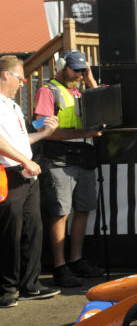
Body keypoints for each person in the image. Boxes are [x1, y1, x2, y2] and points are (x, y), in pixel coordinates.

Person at [33, 50, 104, 287]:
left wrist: (91, 82)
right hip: (59, 159)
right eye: (75, 70)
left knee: (83, 209)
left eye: (83, 70)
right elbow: (44, 131)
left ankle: (76, 260)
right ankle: (60, 266)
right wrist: (84, 134)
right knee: (60, 213)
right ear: (62, 67)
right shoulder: (47, 91)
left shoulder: (80, 90)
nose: (79, 75)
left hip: (83, 156)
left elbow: (104, 108)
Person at [0, 55, 60, 308]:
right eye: (20, 77)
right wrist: (25, 161)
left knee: (32, 230)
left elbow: (20, 142)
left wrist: (45, 133)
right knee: (9, 234)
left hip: (26, 173)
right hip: (9, 174)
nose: (23, 83)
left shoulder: (13, 106)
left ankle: (30, 284)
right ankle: (6, 289)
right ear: (5, 76)